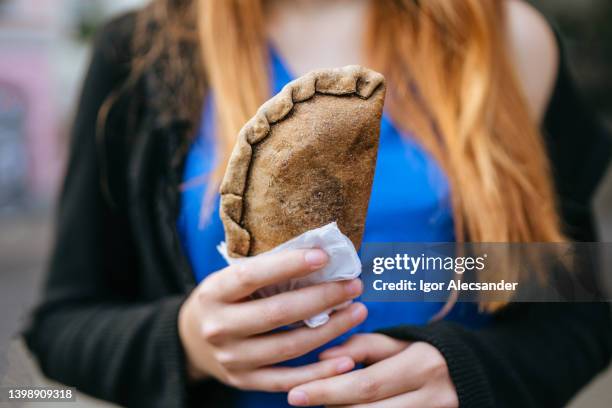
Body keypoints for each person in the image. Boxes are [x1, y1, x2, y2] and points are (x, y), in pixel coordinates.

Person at [24, 0, 612, 407]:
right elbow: (62, 325)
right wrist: (185, 343)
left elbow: (578, 297)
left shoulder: (505, 40)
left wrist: (478, 373)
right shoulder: (144, 55)